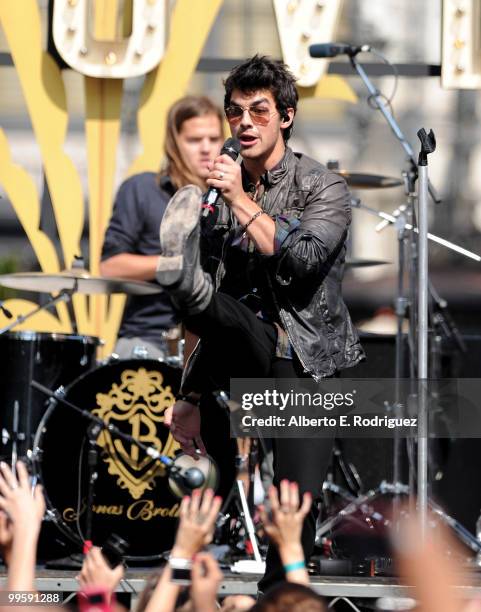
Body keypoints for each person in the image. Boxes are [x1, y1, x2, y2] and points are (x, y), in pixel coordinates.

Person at [157, 55, 365, 590]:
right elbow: (213, 311)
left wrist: (239, 198)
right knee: (209, 300)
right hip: (240, 351)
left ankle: (278, 594)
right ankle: (180, 278)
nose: (244, 123)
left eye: (258, 111)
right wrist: (190, 395)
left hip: (306, 361)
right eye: (235, 113)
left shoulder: (325, 189)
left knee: (292, 520)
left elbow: (299, 264)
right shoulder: (215, 198)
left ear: (286, 117)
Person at [100, 95, 224, 359]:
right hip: (148, 338)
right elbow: (110, 267)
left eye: (214, 139)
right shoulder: (142, 189)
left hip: (217, 338)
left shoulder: (235, 198)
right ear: (173, 143)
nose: (206, 148)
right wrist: (175, 264)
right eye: (194, 140)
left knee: (262, 393)